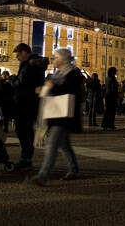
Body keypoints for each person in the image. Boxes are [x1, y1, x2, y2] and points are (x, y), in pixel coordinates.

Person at [26, 48, 83, 185]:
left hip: (65, 115)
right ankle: (74, 169)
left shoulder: (73, 73)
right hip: (57, 113)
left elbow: (71, 91)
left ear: (63, 60)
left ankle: (43, 175)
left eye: (56, 58)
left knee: (52, 144)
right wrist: (45, 88)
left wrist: (52, 87)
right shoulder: (58, 74)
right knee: (64, 145)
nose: (53, 60)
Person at [11, 42, 49, 171]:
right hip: (29, 100)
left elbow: (22, 82)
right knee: (25, 129)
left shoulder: (30, 65)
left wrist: (13, 81)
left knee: (22, 129)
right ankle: (27, 157)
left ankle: (26, 158)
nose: (17, 57)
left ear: (24, 52)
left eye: (18, 54)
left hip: (25, 101)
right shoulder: (34, 64)